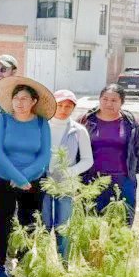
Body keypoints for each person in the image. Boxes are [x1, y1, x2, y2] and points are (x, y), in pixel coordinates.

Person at [0, 76, 54, 277]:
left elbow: (44, 156)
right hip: (3, 178)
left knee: (29, 222)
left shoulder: (42, 123)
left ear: (33, 101)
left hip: (32, 180)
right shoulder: (2, 120)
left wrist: (25, 178)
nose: (19, 102)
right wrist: (16, 177)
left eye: (24, 98)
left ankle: (24, 262)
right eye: (16, 98)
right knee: (2, 222)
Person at [79, 83, 139, 226]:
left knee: (121, 228)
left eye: (114, 100)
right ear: (99, 99)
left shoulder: (133, 123)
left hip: (122, 183)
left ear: (122, 102)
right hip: (91, 181)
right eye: (105, 99)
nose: (108, 103)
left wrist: (128, 173)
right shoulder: (85, 121)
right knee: (89, 227)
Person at [43, 90, 93, 253]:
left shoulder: (78, 130)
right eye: (60, 105)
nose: (64, 109)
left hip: (66, 185)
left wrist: (69, 172)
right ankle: (40, 263)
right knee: (43, 224)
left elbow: (87, 160)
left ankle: (64, 264)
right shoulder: (42, 126)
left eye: (68, 106)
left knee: (63, 226)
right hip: (43, 182)